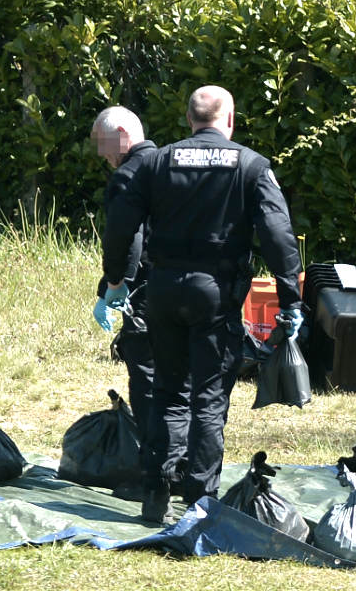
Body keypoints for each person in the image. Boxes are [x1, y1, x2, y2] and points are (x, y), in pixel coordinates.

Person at [101, 86, 304, 522]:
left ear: (188, 119)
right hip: (216, 295)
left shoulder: (156, 162)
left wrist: (115, 280)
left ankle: (155, 496)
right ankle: (199, 503)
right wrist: (290, 298)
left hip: (163, 291)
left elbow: (119, 222)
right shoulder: (251, 166)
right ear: (229, 119)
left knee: (168, 392)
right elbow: (279, 236)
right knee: (208, 399)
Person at [89, 106, 157, 436]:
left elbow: (129, 238)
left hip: (145, 290)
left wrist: (116, 284)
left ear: (121, 134)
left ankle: (151, 456)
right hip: (183, 283)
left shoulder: (128, 176)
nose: (104, 157)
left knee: (145, 371)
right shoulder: (168, 165)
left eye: (104, 146)